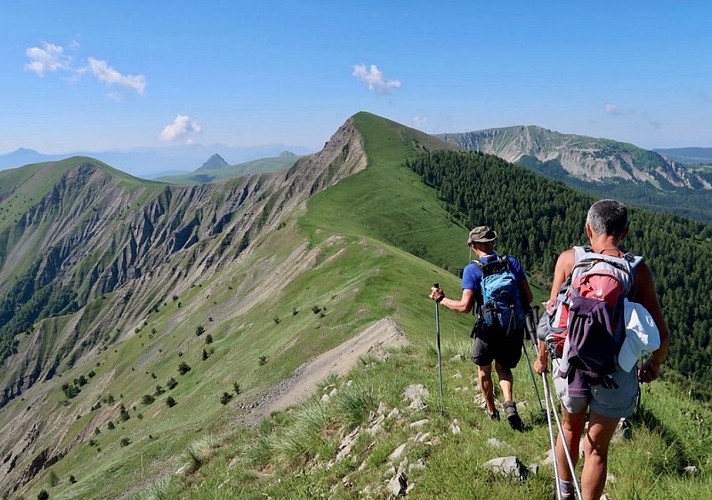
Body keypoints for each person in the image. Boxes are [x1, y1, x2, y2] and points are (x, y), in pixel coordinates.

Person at [534, 199, 670, 500]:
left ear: (588, 228)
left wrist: (542, 358)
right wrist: (653, 364)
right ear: (625, 232)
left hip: (572, 364)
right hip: (615, 371)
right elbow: (661, 334)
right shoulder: (637, 270)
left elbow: (552, 317)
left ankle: (564, 493)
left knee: (569, 429)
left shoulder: (569, 260)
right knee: (596, 448)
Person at [430, 225, 533, 431]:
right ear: (492, 242)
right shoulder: (511, 263)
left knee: (483, 369)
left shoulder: (472, 270)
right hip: (512, 325)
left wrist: (441, 299)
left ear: (475, 246)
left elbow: (464, 306)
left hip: (487, 328)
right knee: (503, 368)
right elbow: (528, 297)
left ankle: (492, 410)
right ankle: (509, 404)